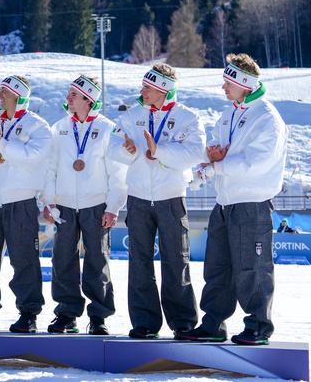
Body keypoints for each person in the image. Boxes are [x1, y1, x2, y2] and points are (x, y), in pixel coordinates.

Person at [177, 54, 286, 346]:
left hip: (252, 205)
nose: (223, 88)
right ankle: (213, 323)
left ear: (245, 84)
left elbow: (258, 162)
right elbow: (214, 149)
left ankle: (259, 327)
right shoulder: (230, 114)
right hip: (224, 203)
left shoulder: (266, 117)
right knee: (217, 268)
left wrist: (217, 166)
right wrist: (207, 164)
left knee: (253, 268)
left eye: (228, 82)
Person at [109, 63, 206, 339]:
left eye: (148, 87)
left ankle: (183, 322)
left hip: (171, 197)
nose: (142, 91)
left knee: (176, 261)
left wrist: (159, 151)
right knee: (139, 262)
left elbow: (195, 151)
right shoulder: (132, 115)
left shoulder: (188, 117)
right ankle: (144, 322)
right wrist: (128, 150)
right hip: (138, 197)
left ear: (164, 90)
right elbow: (112, 146)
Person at [42, 75, 128, 335]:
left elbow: (118, 172)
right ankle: (67, 314)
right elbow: (50, 169)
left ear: (89, 100)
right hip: (64, 207)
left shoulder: (108, 129)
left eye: (74, 95)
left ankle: (99, 316)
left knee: (97, 261)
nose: (68, 98)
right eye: (69, 94)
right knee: (62, 260)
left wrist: (113, 206)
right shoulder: (59, 128)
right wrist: (48, 202)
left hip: (96, 206)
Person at [0, 75, 51, 333]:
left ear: (17, 95)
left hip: (21, 202)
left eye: (3, 91)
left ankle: (28, 314)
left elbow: (33, 158)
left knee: (24, 261)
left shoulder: (38, 126)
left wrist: (0, 144)